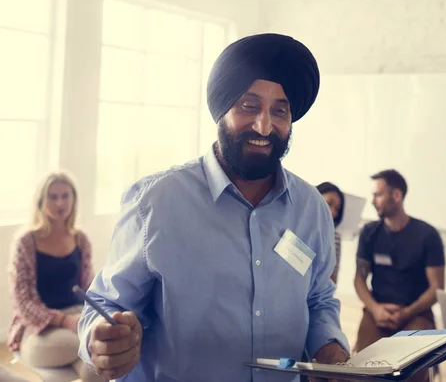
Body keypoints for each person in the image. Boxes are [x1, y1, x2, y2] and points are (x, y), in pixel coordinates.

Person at [77, 33, 350, 381]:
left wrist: (332, 349)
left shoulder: (311, 207)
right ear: (222, 109)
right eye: (249, 106)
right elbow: (106, 305)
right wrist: (99, 339)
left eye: (279, 111)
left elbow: (318, 299)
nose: (264, 126)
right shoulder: (156, 203)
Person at [7, 171, 102, 382]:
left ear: (74, 200)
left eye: (66, 196)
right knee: (94, 344)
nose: (60, 203)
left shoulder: (81, 239)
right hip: (38, 328)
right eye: (53, 196)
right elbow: (23, 302)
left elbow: (89, 288)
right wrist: (63, 320)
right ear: (41, 201)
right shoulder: (26, 241)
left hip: (77, 319)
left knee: (95, 370)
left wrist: (89, 317)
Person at [354, 170, 445, 382]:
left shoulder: (427, 235)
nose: (373, 201)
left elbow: (437, 288)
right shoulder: (369, 232)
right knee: (363, 371)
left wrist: (407, 313)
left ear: (396, 196)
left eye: (378, 195)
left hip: (416, 313)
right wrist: (375, 309)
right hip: (378, 311)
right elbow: (359, 279)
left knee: (411, 371)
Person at [316, 182, 345, 284]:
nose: (333, 212)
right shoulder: (293, 224)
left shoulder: (334, 237)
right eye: (329, 203)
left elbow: (332, 280)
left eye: (337, 208)